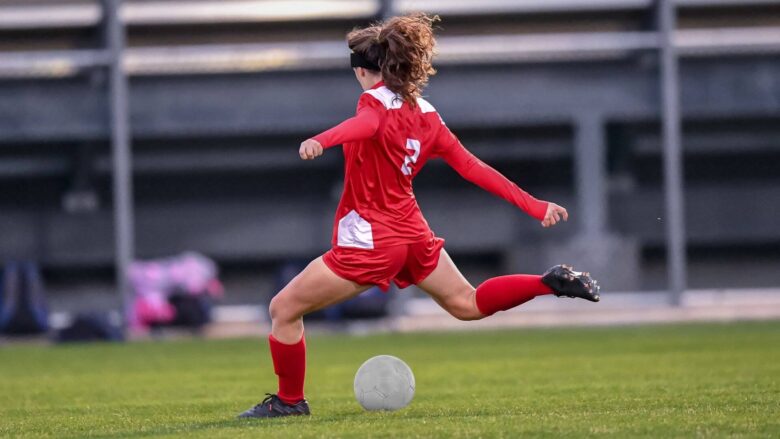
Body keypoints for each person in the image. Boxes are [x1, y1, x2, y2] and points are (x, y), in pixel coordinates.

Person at [239, 13, 600, 419]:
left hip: (373, 240)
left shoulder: (371, 101)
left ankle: (290, 401)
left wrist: (320, 141)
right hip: (414, 235)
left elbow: (366, 124)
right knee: (467, 303)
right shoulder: (427, 113)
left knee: (283, 308)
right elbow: (473, 167)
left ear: (362, 71)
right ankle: (547, 283)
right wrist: (535, 205)